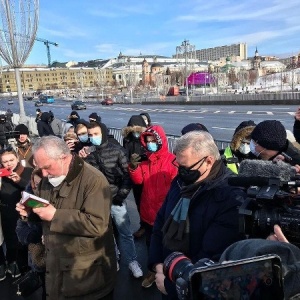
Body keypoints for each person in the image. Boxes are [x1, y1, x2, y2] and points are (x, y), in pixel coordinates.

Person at [16, 136, 117, 300]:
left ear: (64, 157)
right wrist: (31, 212)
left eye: (47, 167)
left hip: (85, 279)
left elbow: (97, 224)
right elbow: (44, 215)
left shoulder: (94, 180)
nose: (44, 173)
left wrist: (55, 215)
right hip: (55, 270)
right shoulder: (46, 180)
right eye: (40, 168)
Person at [148, 131, 246, 299]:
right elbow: (160, 223)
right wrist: (158, 264)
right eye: (178, 165)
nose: (180, 171)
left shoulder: (231, 197)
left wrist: (171, 286)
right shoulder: (180, 182)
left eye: (186, 168)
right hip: (168, 271)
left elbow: (212, 260)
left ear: (208, 161)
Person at [79, 121, 143, 279]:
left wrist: (121, 195)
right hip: (98, 202)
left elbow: (127, 176)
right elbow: (84, 178)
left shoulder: (117, 151)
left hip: (116, 200)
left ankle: (132, 261)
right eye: (91, 135)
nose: (93, 138)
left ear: (103, 133)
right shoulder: (88, 153)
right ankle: (114, 257)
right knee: (106, 233)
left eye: (96, 134)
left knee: (125, 231)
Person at [128, 125, 178, 288]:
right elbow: (138, 181)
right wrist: (133, 167)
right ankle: (154, 271)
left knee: (169, 245)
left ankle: (170, 272)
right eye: (147, 141)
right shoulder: (145, 160)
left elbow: (177, 188)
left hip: (166, 213)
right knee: (152, 244)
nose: (150, 144)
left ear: (160, 140)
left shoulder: (172, 161)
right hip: (148, 212)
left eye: (153, 140)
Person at [0, 147, 33, 281]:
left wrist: (19, 181)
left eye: (11, 160)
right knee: (7, 239)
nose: (9, 164)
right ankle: (4, 263)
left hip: (22, 214)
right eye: (5, 162)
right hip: (5, 212)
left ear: (17, 159)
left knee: (19, 241)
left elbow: (34, 192)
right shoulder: (2, 176)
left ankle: (16, 263)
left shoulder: (28, 172)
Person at [122, 115, 147, 238]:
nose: (136, 133)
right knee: (139, 201)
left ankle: (150, 225)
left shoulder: (146, 139)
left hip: (146, 173)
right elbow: (126, 154)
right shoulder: (127, 140)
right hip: (134, 173)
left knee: (149, 201)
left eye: (138, 130)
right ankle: (143, 225)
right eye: (133, 130)